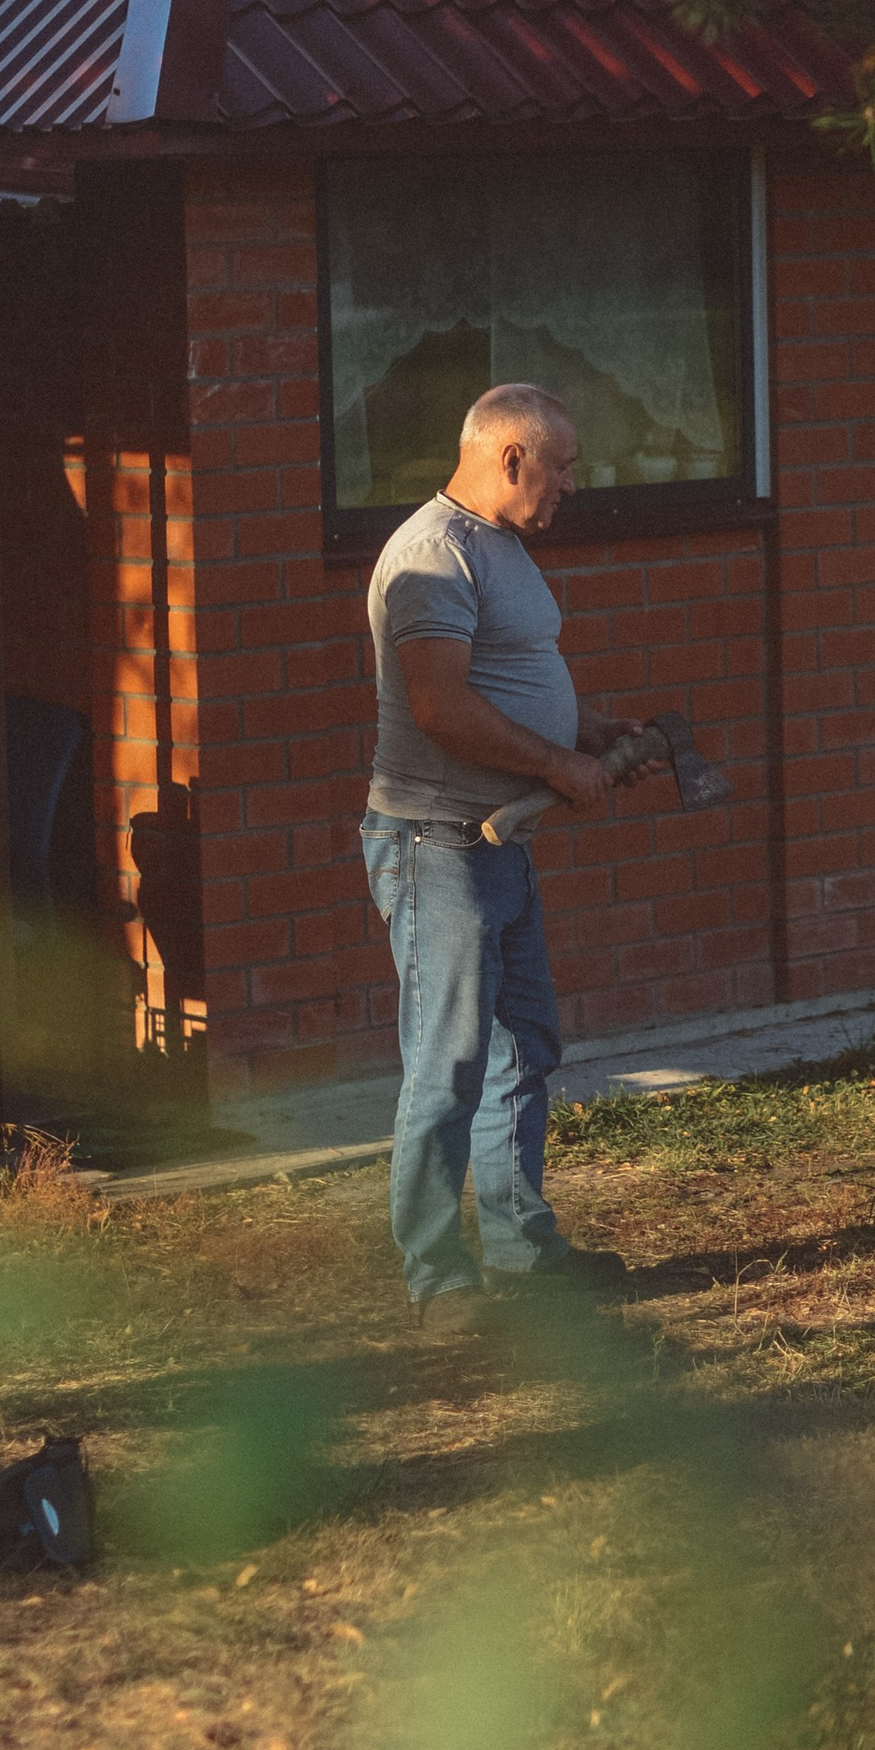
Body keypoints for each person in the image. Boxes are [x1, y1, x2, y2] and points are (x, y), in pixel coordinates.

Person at [361, 380, 648, 1316]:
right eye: (559, 466)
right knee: (447, 1062)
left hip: (499, 839)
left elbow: (510, 675)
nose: (571, 484)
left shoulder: (498, 546)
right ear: (510, 456)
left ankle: (523, 1254)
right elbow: (442, 708)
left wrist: (587, 730)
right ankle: (437, 1277)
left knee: (522, 1047)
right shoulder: (430, 556)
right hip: (436, 842)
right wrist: (558, 762)